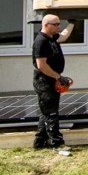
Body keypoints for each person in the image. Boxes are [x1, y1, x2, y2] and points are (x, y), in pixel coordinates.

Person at [31, 14, 73, 151]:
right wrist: (58, 77)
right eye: (55, 24)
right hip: (44, 80)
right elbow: (41, 65)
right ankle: (57, 143)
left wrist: (72, 23)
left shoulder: (52, 38)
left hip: (51, 78)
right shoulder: (41, 41)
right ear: (46, 25)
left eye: (59, 24)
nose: (58, 27)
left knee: (46, 112)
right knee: (51, 113)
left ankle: (39, 143)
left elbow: (64, 36)